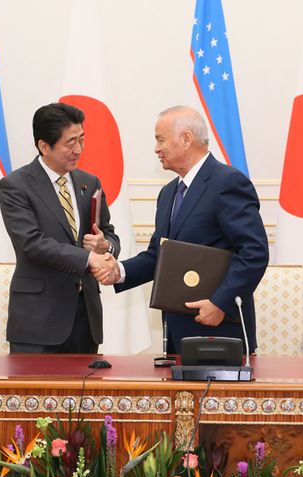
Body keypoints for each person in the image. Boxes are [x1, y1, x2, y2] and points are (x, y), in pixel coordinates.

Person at [93, 105, 269, 354]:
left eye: (160, 139)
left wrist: (221, 303)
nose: (156, 148)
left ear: (186, 139)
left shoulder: (227, 182)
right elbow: (159, 255)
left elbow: (254, 252)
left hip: (220, 331)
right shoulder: (168, 194)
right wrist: (118, 271)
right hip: (176, 333)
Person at [0, 102, 120, 354]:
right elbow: (31, 243)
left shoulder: (89, 182)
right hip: (38, 322)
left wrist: (105, 245)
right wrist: (89, 258)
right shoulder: (16, 186)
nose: (79, 150)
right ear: (44, 146)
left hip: (85, 319)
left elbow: (108, 233)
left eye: (82, 139)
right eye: (70, 142)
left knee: (84, 394)